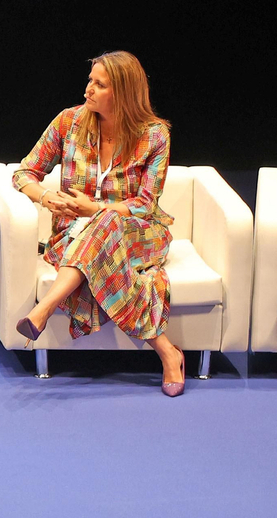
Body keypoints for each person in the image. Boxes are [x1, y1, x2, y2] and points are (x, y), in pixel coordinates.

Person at [11, 51, 186, 396]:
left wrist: (94, 209)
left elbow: (145, 204)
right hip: (76, 235)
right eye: (91, 80)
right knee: (100, 232)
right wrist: (46, 198)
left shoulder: (155, 135)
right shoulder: (68, 122)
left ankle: (43, 309)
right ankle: (168, 352)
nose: (88, 89)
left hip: (142, 233)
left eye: (99, 84)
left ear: (122, 93)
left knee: (105, 220)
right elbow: (23, 173)